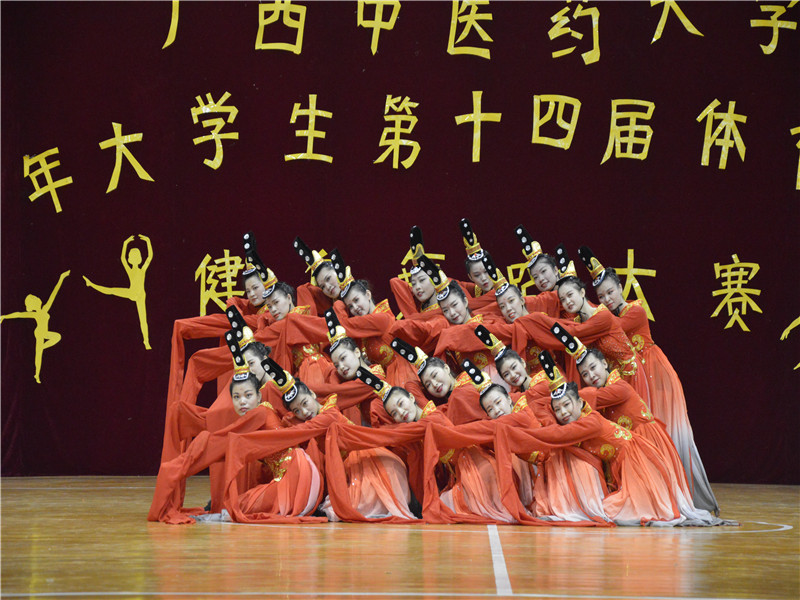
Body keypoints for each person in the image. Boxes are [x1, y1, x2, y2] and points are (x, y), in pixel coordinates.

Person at [494, 352, 735, 527]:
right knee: (605, 509)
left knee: (613, 512)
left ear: (579, 402)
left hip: (638, 460)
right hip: (624, 462)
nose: (563, 412)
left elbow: (555, 435)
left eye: (567, 405)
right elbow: (549, 419)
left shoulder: (591, 419)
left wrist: (514, 436)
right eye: (558, 409)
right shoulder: (581, 418)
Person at [578, 245, 720, 514]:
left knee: (660, 429)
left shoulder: (635, 311)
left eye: (610, 292)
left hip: (652, 373)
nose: (607, 299)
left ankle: (677, 492)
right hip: (628, 378)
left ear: (620, 288)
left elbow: (609, 328)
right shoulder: (605, 316)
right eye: (601, 296)